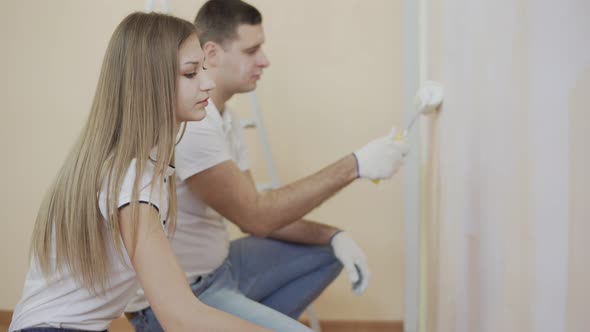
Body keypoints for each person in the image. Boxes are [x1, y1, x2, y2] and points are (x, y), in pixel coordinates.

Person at [125, 1, 410, 331]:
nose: (265, 60)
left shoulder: (225, 119)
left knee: (327, 251)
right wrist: (355, 165)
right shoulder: (195, 127)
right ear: (212, 54)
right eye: (252, 50)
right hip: (188, 293)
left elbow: (256, 212)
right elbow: (257, 216)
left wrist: (334, 236)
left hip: (223, 269)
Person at [9, 11, 270, 332]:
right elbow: (181, 317)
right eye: (191, 73)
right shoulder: (132, 181)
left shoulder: (132, 162)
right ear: (148, 83)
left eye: (204, 68)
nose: (208, 81)